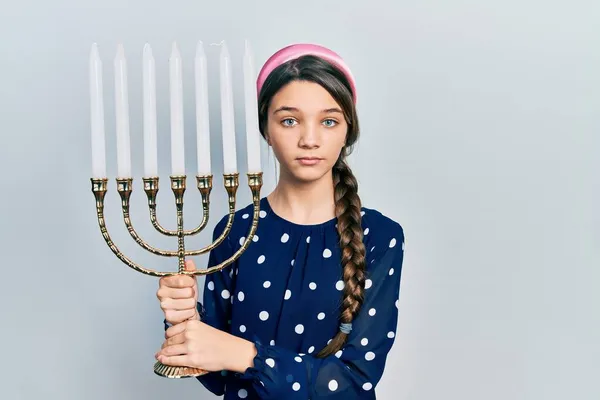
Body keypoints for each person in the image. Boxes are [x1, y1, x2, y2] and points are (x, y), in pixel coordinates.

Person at [154, 43, 406, 399]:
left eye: (328, 121)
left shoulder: (379, 236)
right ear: (266, 130)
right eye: (289, 120)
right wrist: (183, 320)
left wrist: (247, 356)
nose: (309, 139)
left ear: (347, 131)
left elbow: (353, 380)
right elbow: (217, 377)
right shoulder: (234, 231)